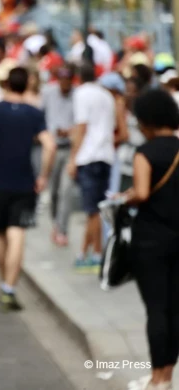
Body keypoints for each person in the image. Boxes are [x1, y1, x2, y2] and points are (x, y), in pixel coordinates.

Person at [0, 67, 56, 311]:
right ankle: (10, 288)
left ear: (6, 84)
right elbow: (49, 146)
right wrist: (43, 176)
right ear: (27, 85)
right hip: (24, 181)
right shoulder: (34, 113)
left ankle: (4, 282)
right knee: (17, 233)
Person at [121, 89, 179, 390]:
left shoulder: (145, 152)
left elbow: (142, 193)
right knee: (175, 308)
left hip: (151, 240)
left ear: (146, 120)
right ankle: (168, 375)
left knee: (156, 309)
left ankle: (157, 379)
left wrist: (125, 197)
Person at [67, 63, 116, 272]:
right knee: (94, 209)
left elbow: (82, 127)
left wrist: (73, 158)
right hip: (105, 155)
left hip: (89, 156)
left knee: (92, 210)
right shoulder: (106, 95)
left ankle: (96, 254)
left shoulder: (81, 94)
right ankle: (85, 252)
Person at [41, 65, 75, 247]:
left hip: (70, 147)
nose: (64, 84)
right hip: (52, 147)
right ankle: (56, 223)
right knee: (53, 191)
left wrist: (69, 131)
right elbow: (41, 115)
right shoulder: (49, 92)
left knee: (66, 190)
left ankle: (63, 229)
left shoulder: (77, 95)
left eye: (67, 80)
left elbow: (82, 123)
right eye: (62, 80)